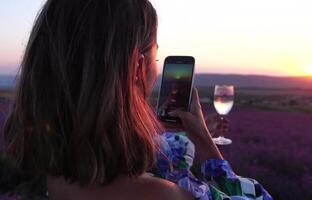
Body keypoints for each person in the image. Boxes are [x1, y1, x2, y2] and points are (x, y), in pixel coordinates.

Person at [3, 0, 272, 199]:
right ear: (137, 67)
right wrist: (204, 140)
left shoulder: (58, 177)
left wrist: (185, 134)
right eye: (155, 57)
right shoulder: (163, 195)